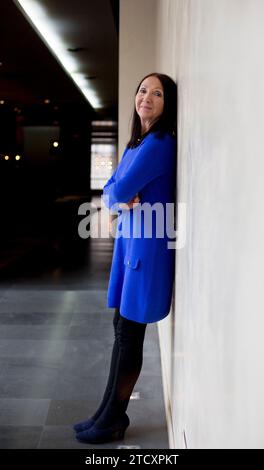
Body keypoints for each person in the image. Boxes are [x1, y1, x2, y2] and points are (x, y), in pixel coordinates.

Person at [73, 72, 177, 444]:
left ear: (168, 104)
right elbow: (111, 188)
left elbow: (120, 190)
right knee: (121, 332)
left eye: (158, 93)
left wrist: (120, 195)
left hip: (146, 255)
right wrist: (119, 195)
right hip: (130, 248)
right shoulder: (137, 143)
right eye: (143, 90)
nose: (147, 97)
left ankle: (115, 418)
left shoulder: (160, 143)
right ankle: (105, 412)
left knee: (130, 337)